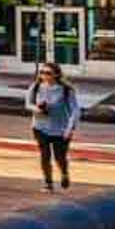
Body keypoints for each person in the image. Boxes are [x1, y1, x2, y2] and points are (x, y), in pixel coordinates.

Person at [25, 60, 81, 191]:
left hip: (60, 129)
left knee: (59, 156)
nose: (44, 75)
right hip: (40, 127)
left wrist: (70, 128)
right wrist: (36, 109)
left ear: (56, 75)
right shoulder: (36, 87)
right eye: (42, 72)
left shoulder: (66, 90)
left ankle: (64, 173)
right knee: (45, 155)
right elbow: (28, 104)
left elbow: (75, 110)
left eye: (48, 73)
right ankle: (48, 182)